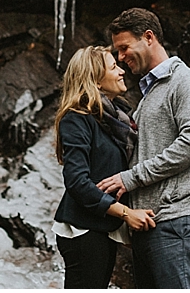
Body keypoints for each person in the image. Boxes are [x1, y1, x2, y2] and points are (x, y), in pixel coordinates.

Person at [96, 8, 190, 289]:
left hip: (177, 222)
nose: (121, 59)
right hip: (151, 224)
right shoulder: (150, 94)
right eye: (117, 52)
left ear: (148, 37)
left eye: (124, 48)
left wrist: (131, 178)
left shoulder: (187, 82)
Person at [53, 45, 157, 288]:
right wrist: (126, 214)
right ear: (96, 82)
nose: (121, 71)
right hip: (83, 229)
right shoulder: (77, 118)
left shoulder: (116, 118)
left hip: (101, 228)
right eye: (113, 67)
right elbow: (77, 182)